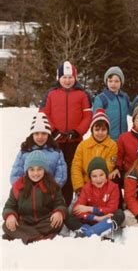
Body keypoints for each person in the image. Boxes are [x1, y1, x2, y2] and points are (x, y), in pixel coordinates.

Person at [39, 61, 92, 205]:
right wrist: (53, 130)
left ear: (75, 78)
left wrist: (77, 132)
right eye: (64, 77)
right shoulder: (51, 94)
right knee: (54, 169)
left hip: (74, 141)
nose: (67, 80)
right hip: (55, 141)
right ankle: (52, 199)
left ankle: (69, 200)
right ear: (58, 78)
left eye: (70, 77)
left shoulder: (82, 94)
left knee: (72, 170)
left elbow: (87, 116)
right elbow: (44, 113)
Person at [2, 151, 67, 244]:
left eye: (39, 169)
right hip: (24, 222)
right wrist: (10, 215)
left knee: (57, 223)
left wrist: (59, 212)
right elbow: (10, 206)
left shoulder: (52, 185)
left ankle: (24, 236)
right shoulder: (18, 186)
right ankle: (39, 238)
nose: (35, 173)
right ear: (27, 170)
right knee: (6, 225)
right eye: (32, 169)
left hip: (44, 221)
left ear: (44, 170)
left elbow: (60, 203)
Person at [66, 157, 124, 239]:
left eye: (101, 175)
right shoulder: (86, 188)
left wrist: (90, 209)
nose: (98, 179)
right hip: (90, 219)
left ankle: (88, 233)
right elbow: (77, 209)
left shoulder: (113, 187)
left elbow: (112, 208)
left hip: (106, 217)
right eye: (94, 176)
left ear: (106, 174)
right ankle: (95, 231)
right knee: (68, 217)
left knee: (120, 214)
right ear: (90, 177)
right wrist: (96, 218)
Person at [10, 113, 67, 187]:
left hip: (49, 193)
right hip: (27, 193)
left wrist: (53, 189)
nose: (40, 137)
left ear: (48, 135)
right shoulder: (24, 152)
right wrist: (23, 190)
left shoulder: (56, 152)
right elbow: (16, 175)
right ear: (32, 135)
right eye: (36, 133)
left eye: (44, 133)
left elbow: (61, 175)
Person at [71, 110, 118, 194]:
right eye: (97, 129)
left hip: (102, 184)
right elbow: (76, 167)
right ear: (92, 130)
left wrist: (97, 183)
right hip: (85, 185)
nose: (100, 133)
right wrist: (79, 187)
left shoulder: (112, 145)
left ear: (108, 130)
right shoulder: (83, 145)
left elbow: (109, 166)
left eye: (103, 130)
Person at [93, 66, 132, 141]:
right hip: (107, 140)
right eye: (110, 81)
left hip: (123, 139)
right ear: (106, 82)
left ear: (121, 82)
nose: (113, 84)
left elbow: (132, 112)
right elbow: (96, 120)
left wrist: (137, 102)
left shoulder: (124, 97)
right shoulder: (101, 98)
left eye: (116, 81)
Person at [115, 105, 138, 180]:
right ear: (134, 121)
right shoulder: (124, 138)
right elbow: (119, 156)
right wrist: (117, 168)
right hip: (129, 174)